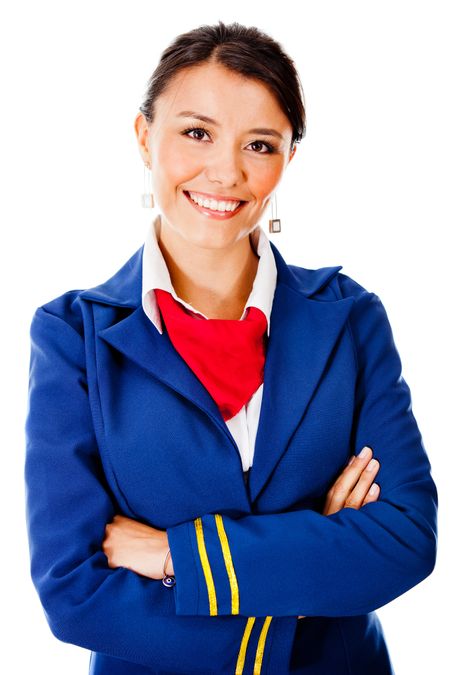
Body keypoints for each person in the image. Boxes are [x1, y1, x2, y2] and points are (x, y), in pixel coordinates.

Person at [24, 21, 438, 675]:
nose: (227, 171)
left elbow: (406, 538)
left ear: (288, 159)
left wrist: (174, 556)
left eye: (261, 144)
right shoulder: (72, 334)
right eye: (197, 133)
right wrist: (307, 579)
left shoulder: (350, 317)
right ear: (143, 138)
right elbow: (73, 591)